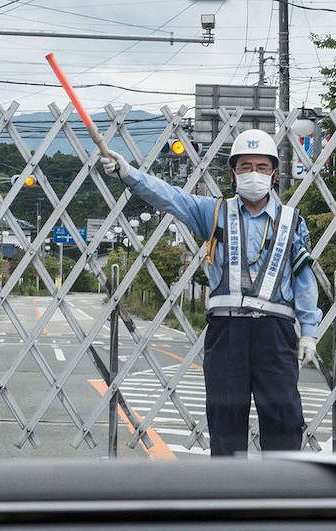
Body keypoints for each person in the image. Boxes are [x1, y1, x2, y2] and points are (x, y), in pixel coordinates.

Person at [101, 129, 322, 456]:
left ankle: (281, 496)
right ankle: (230, 500)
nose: (254, 174)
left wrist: (309, 332)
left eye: (262, 167)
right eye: (245, 166)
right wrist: (129, 173)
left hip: (274, 332)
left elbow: (303, 279)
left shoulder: (291, 221)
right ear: (233, 172)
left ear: (274, 173)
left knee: (284, 416)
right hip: (226, 330)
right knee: (225, 416)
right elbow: (171, 196)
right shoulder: (214, 212)